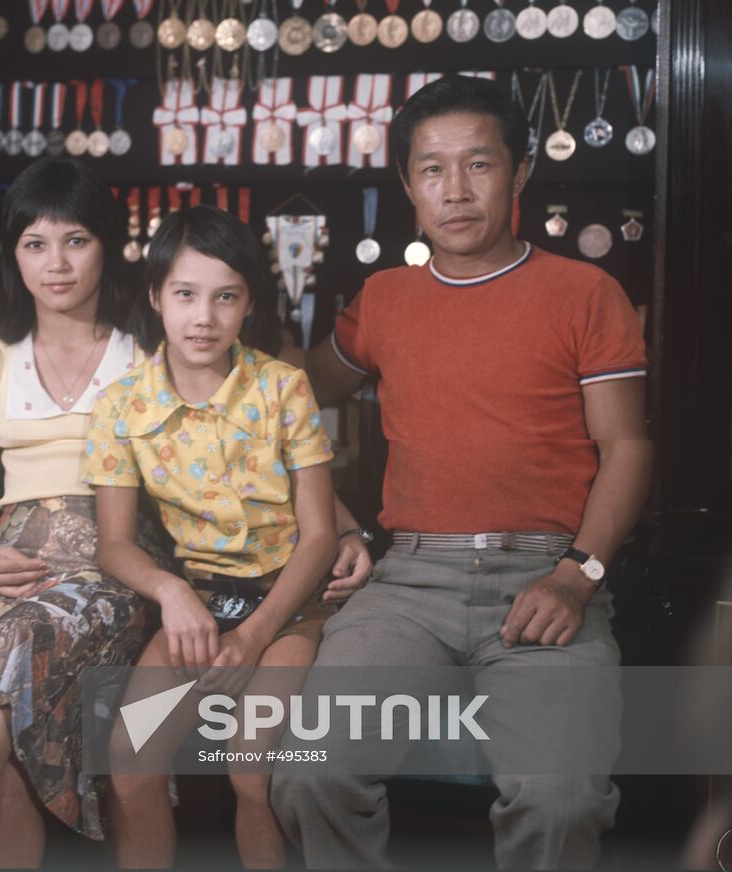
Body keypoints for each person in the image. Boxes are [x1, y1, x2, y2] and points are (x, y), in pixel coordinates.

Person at [270, 75, 654, 870]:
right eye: (432, 169)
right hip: (407, 585)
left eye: (478, 165)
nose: (455, 190)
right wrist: (222, 320)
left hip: (545, 576)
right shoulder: (383, 299)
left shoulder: (585, 291)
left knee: (561, 800)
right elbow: (291, 393)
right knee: (308, 772)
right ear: (408, 186)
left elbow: (628, 449)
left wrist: (577, 577)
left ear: (518, 174)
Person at [0, 158, 170, 868]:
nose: (57, 264)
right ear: (13, 254)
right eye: (36, 244)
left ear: (107, 246)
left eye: (76, 241)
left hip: (112, 561)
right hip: (8, 562)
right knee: (3, 772)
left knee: (13, 640)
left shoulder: (144, 352)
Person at [85, 205, 366, 869]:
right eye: (184, 294)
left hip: (290, 603)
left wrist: (256, 633)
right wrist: (171, 592)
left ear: (247, 306)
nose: (203, 317)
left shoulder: (283, 388)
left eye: (225, 297)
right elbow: (114, 544)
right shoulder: (122, 405)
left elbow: (321, 535)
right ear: (156, 298)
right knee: (129, 760)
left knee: (250, 766)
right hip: (200, 604)